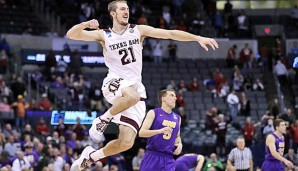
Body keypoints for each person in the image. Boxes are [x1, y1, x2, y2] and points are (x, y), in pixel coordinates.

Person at [67, 0, 218, 170]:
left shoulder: (138, 31)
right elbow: (71, 34)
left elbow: (170, 34)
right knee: (132, 95)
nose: (126, 11)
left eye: (128, 9)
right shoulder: (104, 34)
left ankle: (90, 156)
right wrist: (86, 24)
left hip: (135, 87)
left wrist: (197, 38)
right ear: (113, 13)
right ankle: (103, 120)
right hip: (114, 82)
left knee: (126, 143)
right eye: (122, 9)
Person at [139, 89, 182, 171]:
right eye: (172, 95)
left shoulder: (178, 118)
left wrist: (180, 145)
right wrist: (159, 131)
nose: (175, 98)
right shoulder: (154, 113)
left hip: (169, 159)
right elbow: (141, 133)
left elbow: (177, 136)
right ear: (164, 98)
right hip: (152, 156)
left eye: (175, 96)